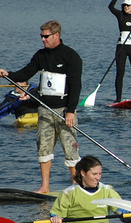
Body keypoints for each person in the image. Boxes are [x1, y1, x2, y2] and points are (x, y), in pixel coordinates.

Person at [0, 20, 82, 193]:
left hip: (64, 110)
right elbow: (25, 73)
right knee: (43, 147)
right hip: (44, 109)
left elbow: (76, 86)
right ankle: (45, 186)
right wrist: (8, 74)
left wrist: (71, 111)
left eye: (46, 36)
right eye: (41, 36)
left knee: (70, 149)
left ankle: (77, 186)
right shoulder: (40, 55)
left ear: (57, 35)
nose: (43, 40)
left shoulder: (71, 56)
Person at [48, 156, 131, 223]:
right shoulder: (68, 193)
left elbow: (122, 211)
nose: (98, 178)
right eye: (94, 174)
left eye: (100, 174)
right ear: (83, 173)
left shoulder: (106, 191)